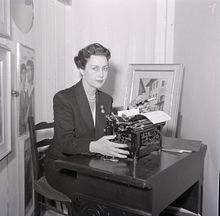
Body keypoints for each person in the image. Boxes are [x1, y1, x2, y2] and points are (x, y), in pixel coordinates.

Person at [45, 43, 129, 201]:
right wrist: (95, 146)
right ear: (81, 70)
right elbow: (65, 143)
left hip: (88, 163)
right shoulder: (63, 98)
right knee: (93, 196)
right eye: (95, 68)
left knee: (119, 192)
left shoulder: (106, 99)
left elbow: (109, 126)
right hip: (62, 167)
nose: (101, 75)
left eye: (105, 68)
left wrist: (132, 111)